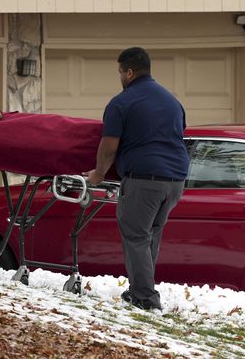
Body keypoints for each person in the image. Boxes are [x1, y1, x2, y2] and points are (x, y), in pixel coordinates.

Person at [87, 47, 189, 311]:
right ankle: (140, 290)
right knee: (150, 235)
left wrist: (98, 173)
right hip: (176, 180)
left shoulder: (122, 102)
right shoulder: (172, 101)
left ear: (129, 72)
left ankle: (145, 298)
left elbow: (109, 145)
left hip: (144, 180)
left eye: (120, 72)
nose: (119, 77)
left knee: (136, 236)